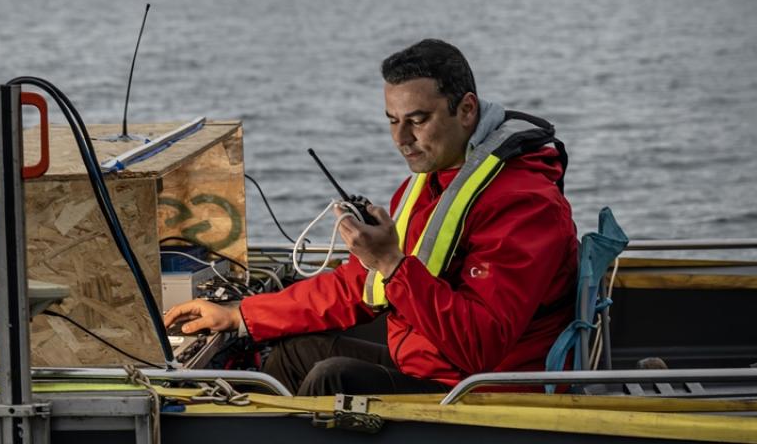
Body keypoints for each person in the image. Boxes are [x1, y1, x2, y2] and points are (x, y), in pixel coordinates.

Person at [163, 39, 578, 395]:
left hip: (484, 390)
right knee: (294, 353)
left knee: (333, 378)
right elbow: (359, 285)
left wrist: (391, 263)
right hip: (430, 359)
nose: (401, 139)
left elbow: (480, 345)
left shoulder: (524, 204)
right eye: (393, 121)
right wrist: (243, 315)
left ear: (467, 110)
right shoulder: (440, 179)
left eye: (418, 120)